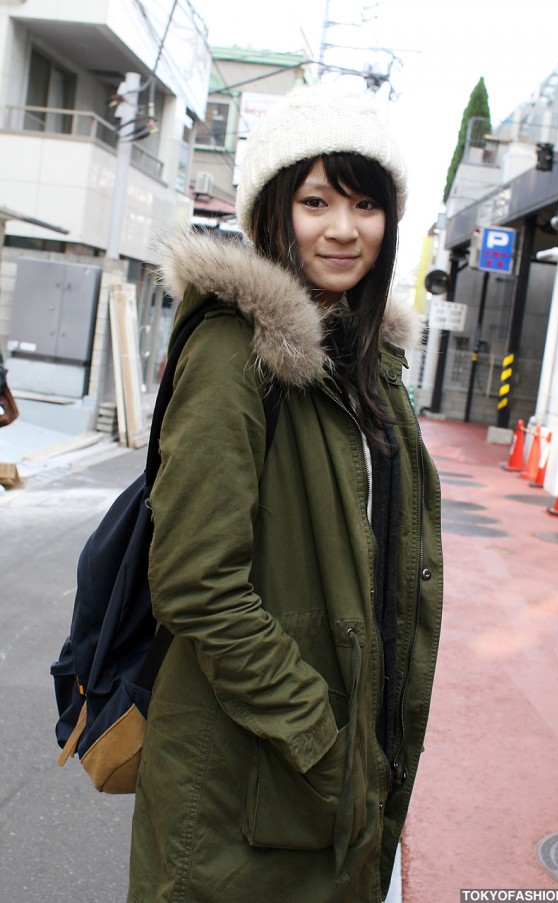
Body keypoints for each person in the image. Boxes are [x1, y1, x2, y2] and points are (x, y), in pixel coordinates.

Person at [127, 80, 443, 903]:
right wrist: (322, 738)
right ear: (273, 209)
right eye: (316, 199)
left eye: (366, 203)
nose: (344, 228)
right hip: (243, 797)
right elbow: (197, 582)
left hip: (328, 787)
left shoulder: (371, 367)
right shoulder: (238, 351)